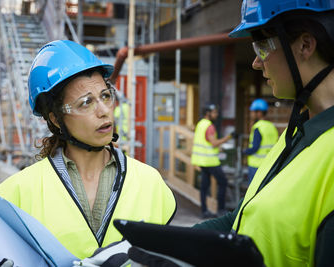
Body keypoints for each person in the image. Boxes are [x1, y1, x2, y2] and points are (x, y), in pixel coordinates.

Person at [126, 1, 334, 266]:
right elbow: (240, 220)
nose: (257, 63)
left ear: (305, 45)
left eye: (263, 46)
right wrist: (159, 246)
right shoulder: (297, 132)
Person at [0, 40, 176, 261]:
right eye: (86, 102)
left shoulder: (150, 182)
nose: (104, 111)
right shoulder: (16, 193)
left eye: (105, 96)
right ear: (56, 119)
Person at [191, 104, 233, 218]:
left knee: (204, 186)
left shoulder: (200, 124)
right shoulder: (209, 126)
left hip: (201, 161)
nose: (216, 114)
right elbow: (213, 143)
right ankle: (221, 210)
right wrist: (228, 138)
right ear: (207, 113)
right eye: (214, 112)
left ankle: (204, 211)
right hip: (210, 161)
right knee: (223, 182)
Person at [243, 98, 278, 183]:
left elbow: (255, 147)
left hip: (256, 165)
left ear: (259, 113)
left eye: (253, 112)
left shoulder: (258, 127)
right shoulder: (272, 127)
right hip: (269, 164)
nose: (251, 114)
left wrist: (244, 151)